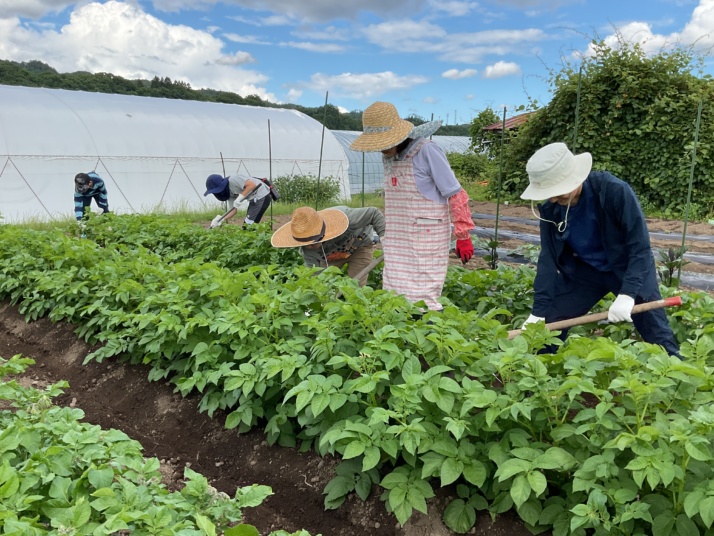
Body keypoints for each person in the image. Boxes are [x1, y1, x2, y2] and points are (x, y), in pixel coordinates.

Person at [520, 142, 680, 356]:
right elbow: (548, 258)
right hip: (586, 272)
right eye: (549, 193)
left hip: (628, 267)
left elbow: (640, 247)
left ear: (574, 178)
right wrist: (537, 313)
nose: (553, 198)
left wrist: (628, 293)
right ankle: (538, 380)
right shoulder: (551, 208)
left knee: (657, 333)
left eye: (558, 191)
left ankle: (678, 377)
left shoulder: (613, 191)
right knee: (549, 324)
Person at [349, 101, 475, 311]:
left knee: (424, 298)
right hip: (398, 237)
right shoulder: (389, 156)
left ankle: (431, 337)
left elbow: (455, 193)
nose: (381, 148)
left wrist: (464, 235)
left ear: (399, 136)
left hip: (426, 238)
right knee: (395, 295)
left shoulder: (427, 151)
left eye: (383, 142)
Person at [271, 205, 385, 286]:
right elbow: (316, 277)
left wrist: (385, 240)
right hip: (331, 256)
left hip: (359, 244)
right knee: (324, 283)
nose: (309, 246)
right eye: (305, 244)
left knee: (357, 283)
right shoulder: (308, 252)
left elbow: (374, 213)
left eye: (312, 242)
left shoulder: (346, 218)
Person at [204, 173, 271, 227]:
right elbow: (233, 210)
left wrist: (240, 197)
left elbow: (251, 185)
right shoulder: (228, 192)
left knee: (249, 226)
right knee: (248, 225)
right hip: (254, 199)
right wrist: (221, 219)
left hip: (262, 195)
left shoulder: (234, 179)